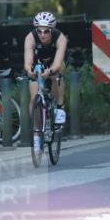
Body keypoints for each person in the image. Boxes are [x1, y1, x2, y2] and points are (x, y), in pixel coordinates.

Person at [23, 11, 68, 142]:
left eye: (46, 31)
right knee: (33, 96)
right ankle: (36, 130)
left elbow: (58, 63)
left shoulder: (60, 38)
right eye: (39, 31)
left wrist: (49, 71)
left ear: (52, 30)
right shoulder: (30, 38)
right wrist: (30, 71)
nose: (42, 34)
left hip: (55, 60)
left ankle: (59, 107)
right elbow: (27, 63)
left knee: (56, 74)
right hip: (39, 60)